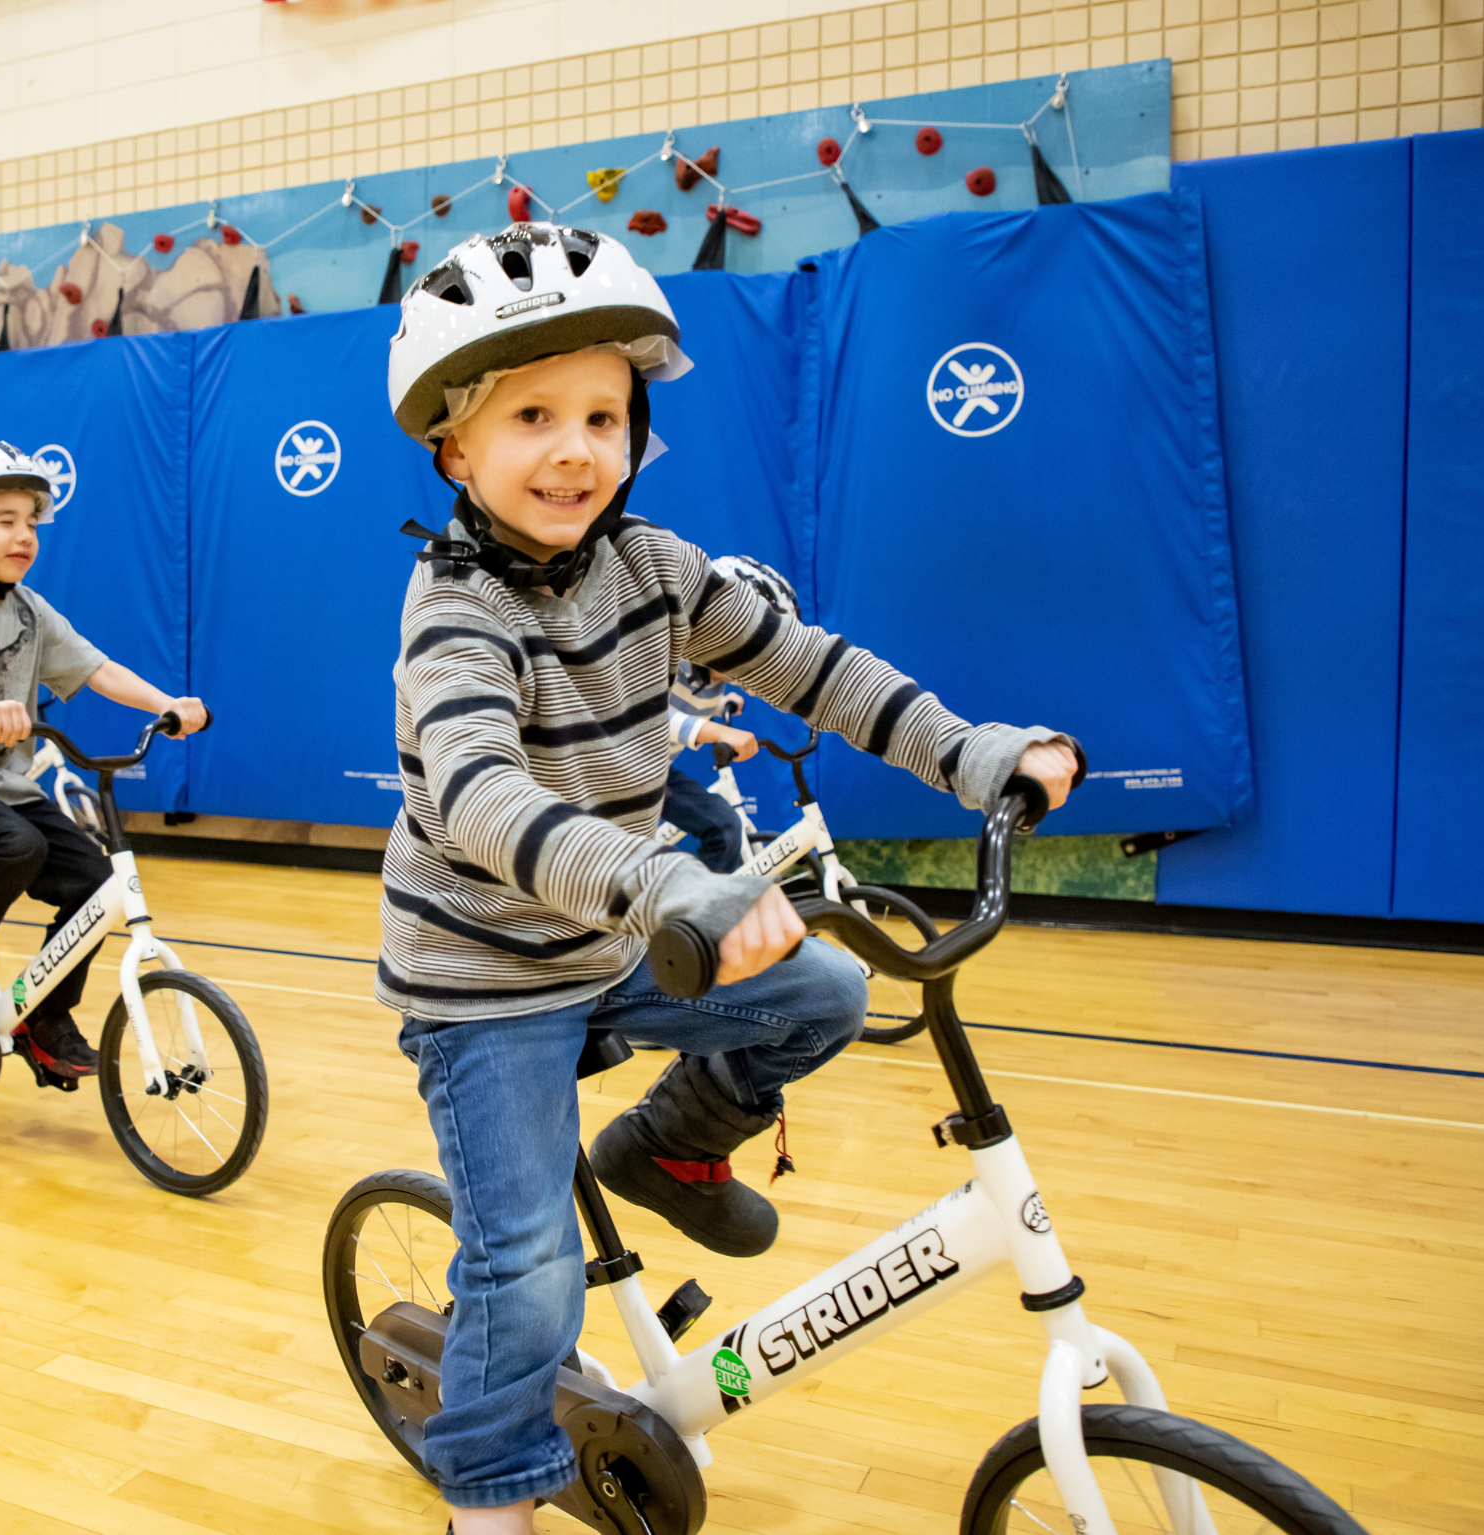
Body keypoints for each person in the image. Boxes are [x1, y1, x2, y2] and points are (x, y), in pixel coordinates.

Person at [380, 223, 1083, 1533]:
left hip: (611, 941)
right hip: (483, 982)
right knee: (528, 1268)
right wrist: (663, 882)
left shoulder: (657, 568)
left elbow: (815, 670)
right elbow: (479, 795)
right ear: (454, 448)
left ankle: (666, 1148)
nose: (577, 445)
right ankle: (489, 1502)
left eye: (604, 411)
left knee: (820, 991)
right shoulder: (457, 607)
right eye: (531, 415)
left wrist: (970, 751)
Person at [0, 438, 208, 1081]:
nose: (24, 535)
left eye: (31, 521)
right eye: (5, 521)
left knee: (93, 881)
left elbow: (95, 667)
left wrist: (166, 704)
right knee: (13, 846)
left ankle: (45, 1014)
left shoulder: (29, 610)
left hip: (3, 784)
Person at [660, 555, 804, 872]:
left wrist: (723, 704)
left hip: (654, 774)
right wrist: (720, 731)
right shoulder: (669, 655)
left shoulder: (714, 681)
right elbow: (649, 719)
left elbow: (692, 700)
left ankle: (697, 916)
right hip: (609, 777)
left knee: (725, 828)